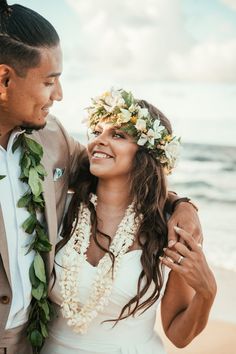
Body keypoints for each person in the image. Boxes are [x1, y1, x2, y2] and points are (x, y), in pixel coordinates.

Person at [0, 1, 202, 353]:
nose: (59, 95)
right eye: (50, 82)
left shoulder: (51, 139)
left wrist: (183, 205)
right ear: (4, 80)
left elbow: (126, 179)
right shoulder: (71, 204)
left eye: (119, 134)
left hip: (27, 343)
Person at [41, 88, 217, 354]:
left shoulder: (170, 229)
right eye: (97, 131)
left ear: (146, 155)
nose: (98, 140)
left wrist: (207, 294)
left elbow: (179, 336)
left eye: (118, 135)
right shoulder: (60, 208)